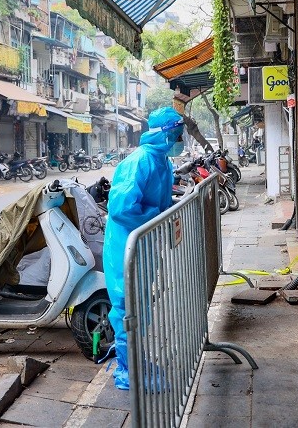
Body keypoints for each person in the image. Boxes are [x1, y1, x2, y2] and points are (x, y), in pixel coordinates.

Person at [102, 107, 185, 390]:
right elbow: (122, 208)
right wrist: (157, 217)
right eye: (176, 133)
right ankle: (128, 371)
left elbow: (160, 201)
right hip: (126, 244)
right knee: (127, 306)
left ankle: (135, 360)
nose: (179, 138)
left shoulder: (162, 161)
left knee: (139, 305)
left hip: (144, 243)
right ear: (164, 133)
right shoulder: (139, 162)